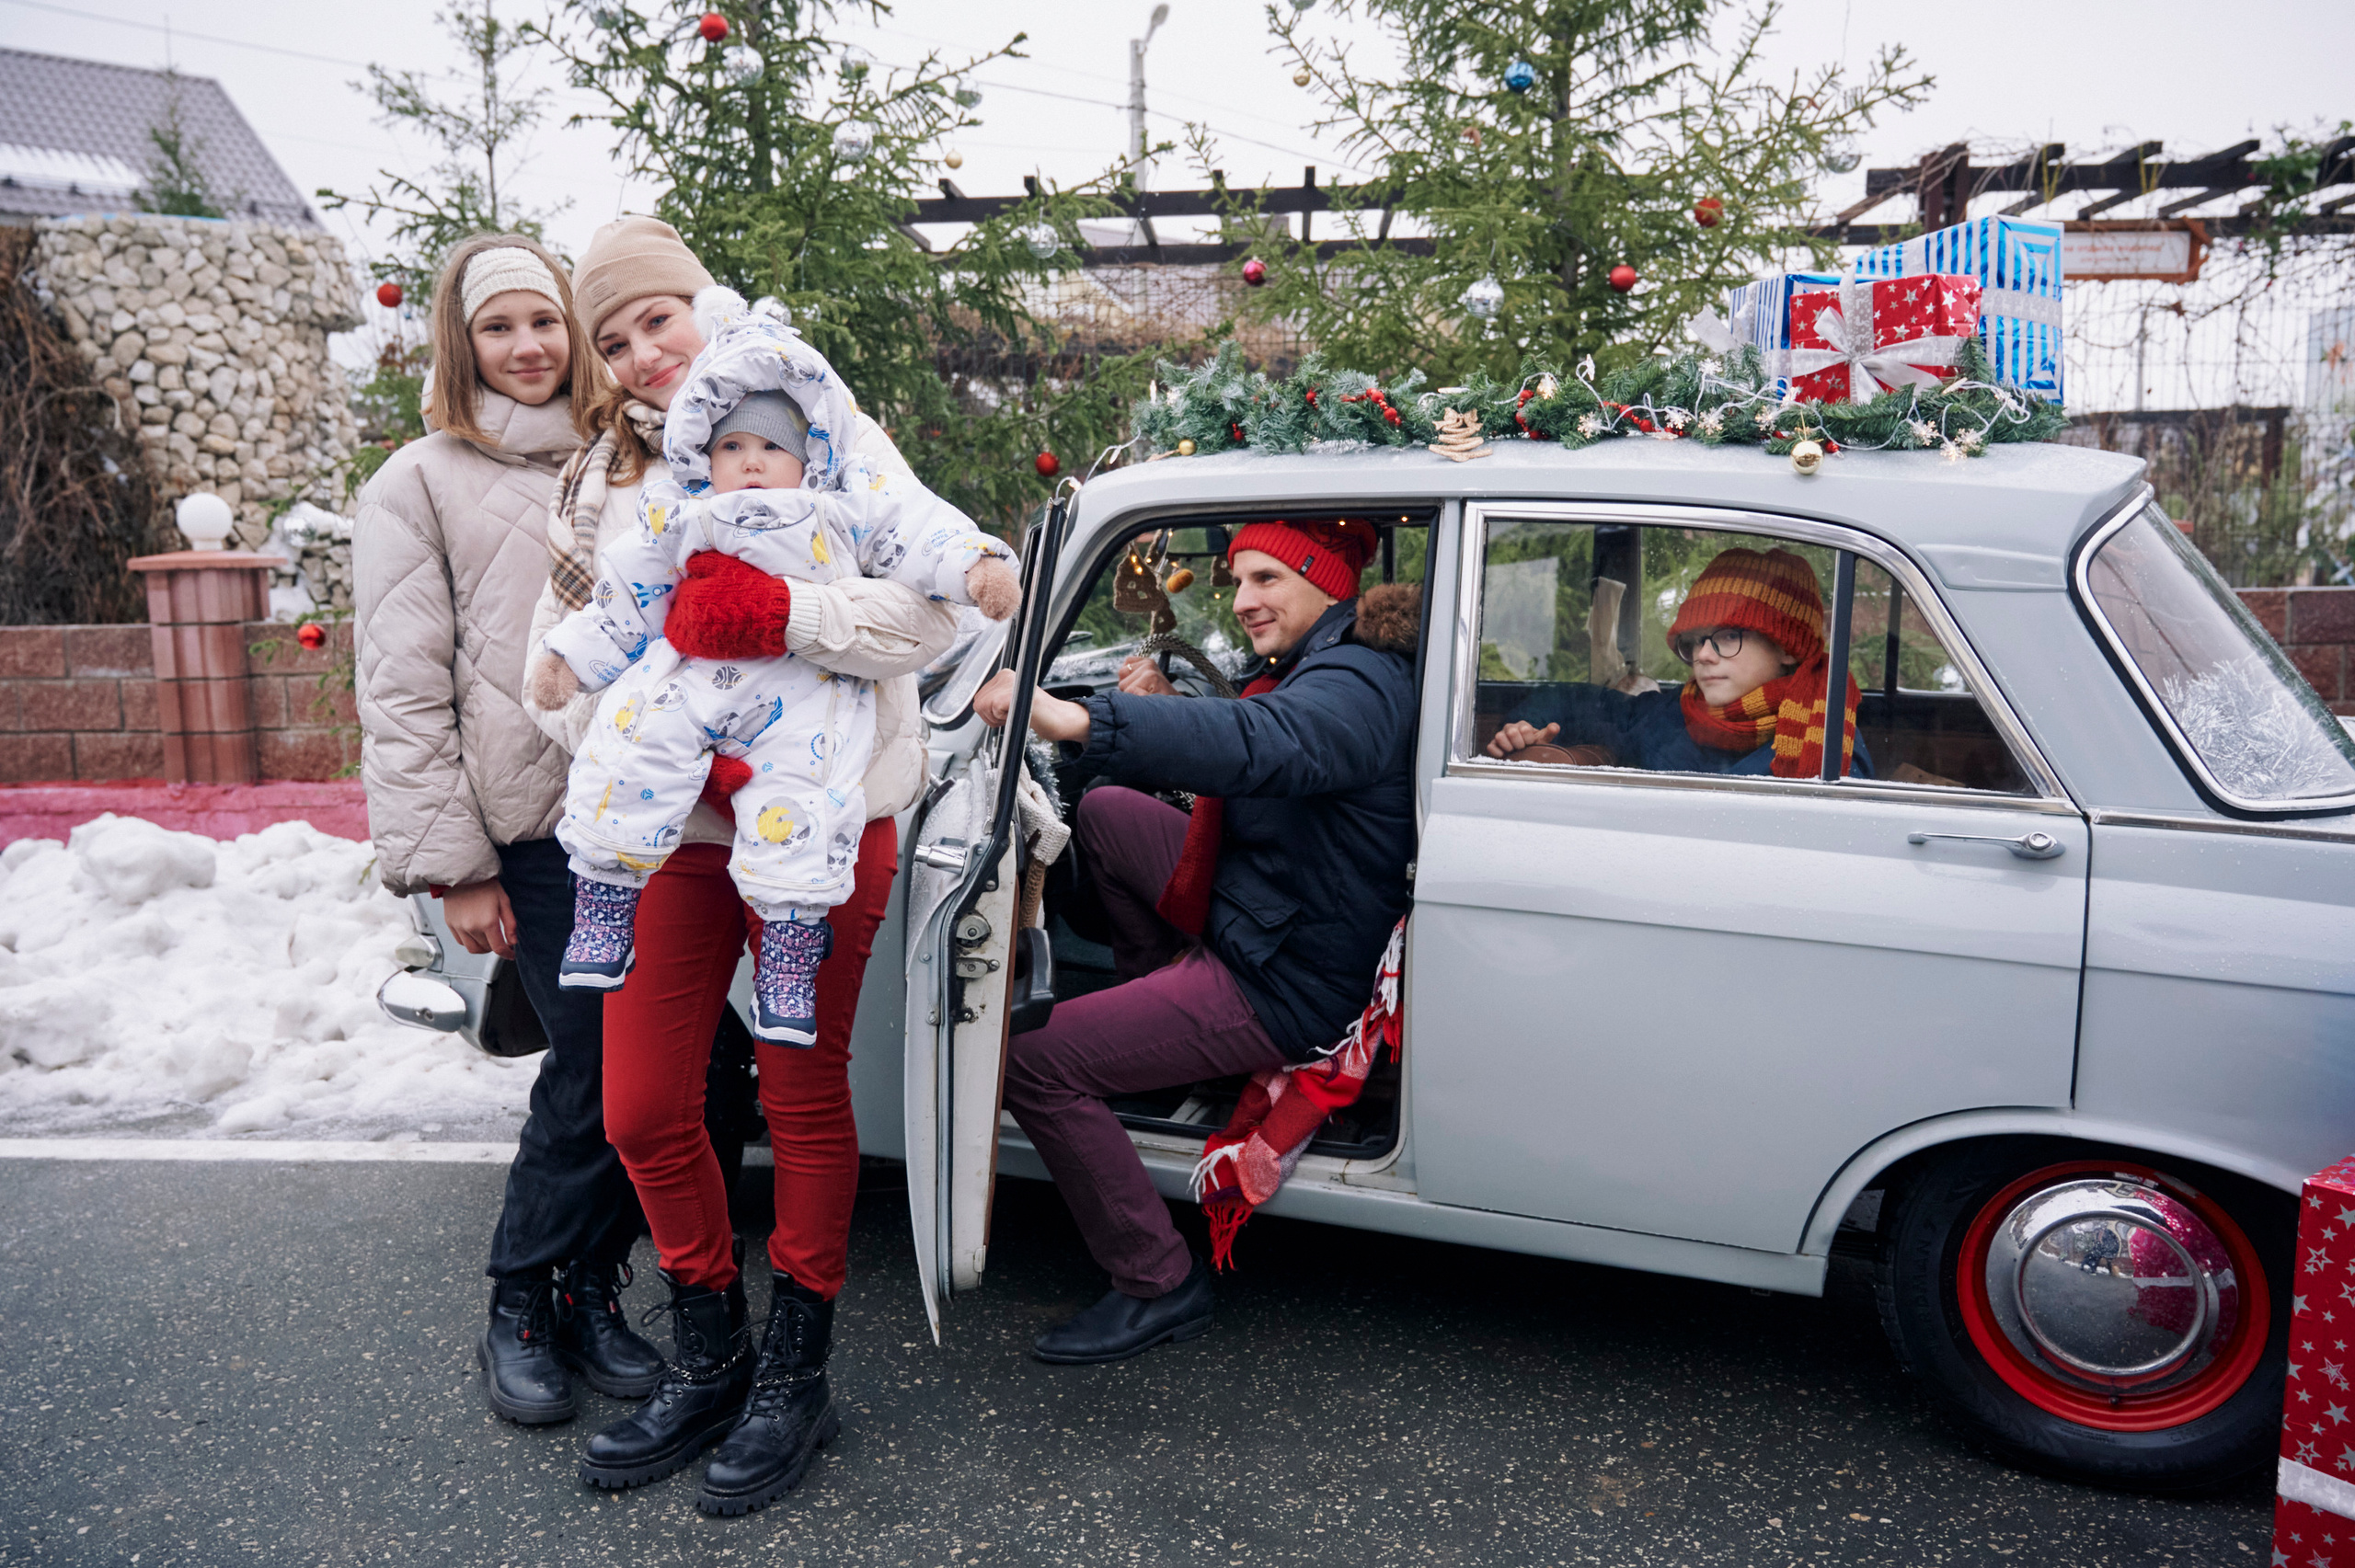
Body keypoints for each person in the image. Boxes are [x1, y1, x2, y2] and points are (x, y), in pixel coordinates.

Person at [522, 216, 960, 1515]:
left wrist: (784, 616)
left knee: (800, 1084)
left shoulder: (823, 425)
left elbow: (926, 618)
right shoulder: (604, 485)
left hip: (822, 819)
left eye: (656, 318)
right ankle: (709, 1347)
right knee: (642, 1107)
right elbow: (561, 663)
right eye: (612, 340)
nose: (642, 353)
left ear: (702, 304)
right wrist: (665, 735)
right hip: (674, 831)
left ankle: (795, 1369)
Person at [972, 519, 1420, 1365]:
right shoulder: (1325, 658)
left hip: (1285, 975)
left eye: (1267, 579)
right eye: (1238, 580)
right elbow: (1258, 732)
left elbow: (1265, 742)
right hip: (1277, 907)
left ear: (1326, 580)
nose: (1244, 600)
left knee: (1030, 1060)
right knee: (1107, 813)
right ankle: (1159, 1050)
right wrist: (1164, 711)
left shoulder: (1356, 681)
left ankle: (1156, 1279)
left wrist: (1075, 717)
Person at [353, 235, 667, 1425]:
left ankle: (590, 1291)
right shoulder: (418, 482)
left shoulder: (629, 452)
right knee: (592, 1065)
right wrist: (456, 868)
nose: (528, 346)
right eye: (499, 327)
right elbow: (401, 686)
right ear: (462, 341)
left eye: (545, 321)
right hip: (533, 833)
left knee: (671, 1075)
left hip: (654, 817)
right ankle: (520, 1302)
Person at [529, 295, 1017, 1045]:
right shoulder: (677, 508)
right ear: (706, 454)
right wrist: (571, 660)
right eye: (731, 447)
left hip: (801, 692)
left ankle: (789, 944)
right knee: (629, 745)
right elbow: (624, 594)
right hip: (693, 686)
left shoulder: (842, 499)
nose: (750, 462)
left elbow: (917, 530)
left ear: (808, 453)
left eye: (769, 447)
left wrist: (974, 565)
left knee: (804, 795)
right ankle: (604, 895)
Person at [1484, 545, 1872, 779]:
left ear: (1787, 648)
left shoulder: (1824, 744)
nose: (1703, 654)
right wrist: (1524, 729)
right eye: (1696, 640)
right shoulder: (1673, 713)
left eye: (1728, 636)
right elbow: (1572, 702)